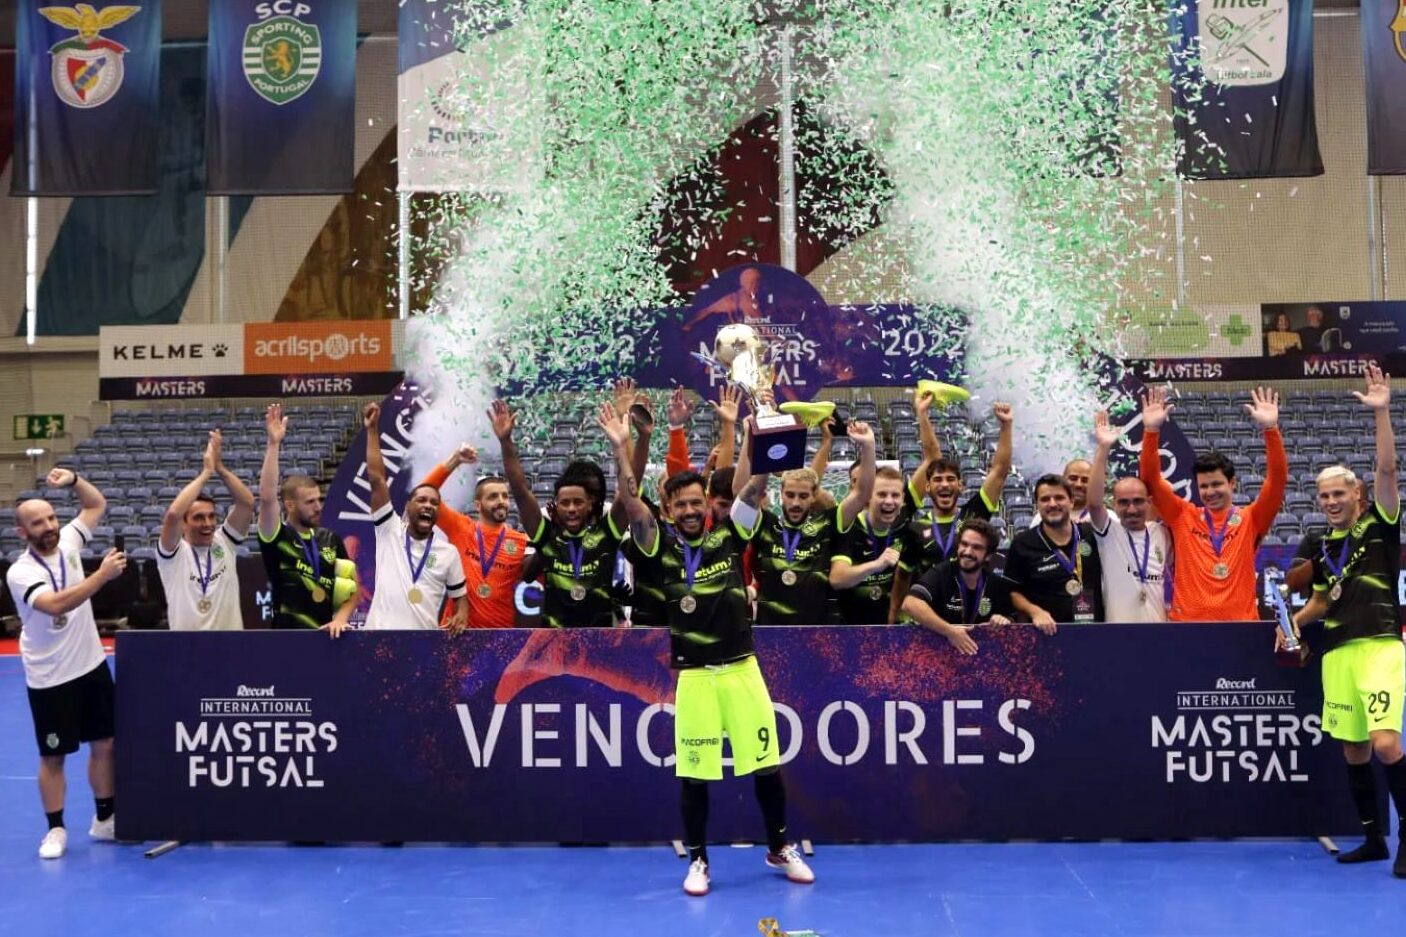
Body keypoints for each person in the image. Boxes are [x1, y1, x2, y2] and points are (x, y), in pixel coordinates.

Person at [608, 405, 813, 896]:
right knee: (695, 776)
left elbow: (754, 487)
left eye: (696, 502)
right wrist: (621, 446)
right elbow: (630, 503)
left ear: (706, 504)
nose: (690, 511)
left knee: (766, 765)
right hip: (695, 677)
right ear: (670, 511)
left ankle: (779, 846)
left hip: (743, 670)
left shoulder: (730, 536)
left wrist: (758, 439)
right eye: (679, 506)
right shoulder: (658, 546)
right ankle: (698, 860)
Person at [1284, 365, 1406, 877]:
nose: (1332, 502)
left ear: (1357, 495)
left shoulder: (1380, 522)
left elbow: (1386, 472)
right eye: (1324, 496)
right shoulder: (1319, 544)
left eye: (1340, 493)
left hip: (1379, 645)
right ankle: (1374, 839)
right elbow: (1319, 603)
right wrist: (1290, 619)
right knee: (1354, 749)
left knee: (1385, 744)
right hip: (1337, 651)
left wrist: (1380, 412)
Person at [5, 468, 124, 859]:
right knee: (53, 756)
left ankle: (105, 819)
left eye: (52, 518)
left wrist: (74, 480)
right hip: (50, 676)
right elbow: (56, 604)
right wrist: (101, 577)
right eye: (38, 523)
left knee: (104, 744)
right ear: (22, 532)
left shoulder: (71, 540)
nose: (50, 527)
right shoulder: (20, 572)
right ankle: (55, 829)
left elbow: (95, 504)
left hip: (90, 665)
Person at [1139, 386, 1286, 621]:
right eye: (1204, 486)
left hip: (1240, 631)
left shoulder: (1252, 518)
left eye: (1217, 484)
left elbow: (1276, 481)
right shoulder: (1182, 515)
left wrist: (1270, 429)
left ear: (1232, 483)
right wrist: (1151, 430)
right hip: (1188, 630)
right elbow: (1151, 481)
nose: (1210, 492)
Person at [491, 399, 626, 628]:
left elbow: (628, 493)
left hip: (600, 643)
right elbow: (521, 492)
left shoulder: (606, 535)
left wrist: (620, 447)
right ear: (556, 505)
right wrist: (505, 442)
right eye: (564, 503)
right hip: (555, 644)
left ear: (590, 504)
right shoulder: (546, 536)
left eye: (577, 502)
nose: (571, 508)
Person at [740, 420, 876, 625]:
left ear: (813, 496)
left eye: (803, 496)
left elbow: (862, 493)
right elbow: (740, 498)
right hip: (770, 633)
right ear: (781, 494)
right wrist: (757, 442)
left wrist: (868, 446)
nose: (795, 502)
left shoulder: (828, 523)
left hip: (819, 633)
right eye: (790, 495)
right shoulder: (764, 524)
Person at [361, 403, 468, 632]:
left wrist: (462, 614)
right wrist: (372, 431)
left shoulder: (448, 553)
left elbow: (460, 598)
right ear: (408, 506)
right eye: (422, 500)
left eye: (434, 503)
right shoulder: (389, 530)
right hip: (377, 641)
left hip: (422, 646)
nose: (428, 505)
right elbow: (377, 479)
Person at [256, 403, 357, 635]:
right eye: (310, 502)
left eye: (319, 500)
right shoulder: (277, 536)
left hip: (326, 637)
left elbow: (351, 591)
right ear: (290, 505)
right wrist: (273, 444)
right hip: (286, 640)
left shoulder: (330, 539)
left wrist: (340, 619)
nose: (318, 507)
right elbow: (267, 497)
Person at [419, 442, 529, 628]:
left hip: (499, 638)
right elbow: (423, 493)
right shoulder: (461, 527)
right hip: (456, 633)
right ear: (478, 505)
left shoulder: (521, 542)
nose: (501, 501)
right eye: (493, 497)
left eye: (504, 496)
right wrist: (455, 460)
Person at [900, 399, 1014, 576]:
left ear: (960, 486)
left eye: (951, 479)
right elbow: (932, 457)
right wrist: (922, 414)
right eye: (938, 479)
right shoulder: (916, 528)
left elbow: (999, 472)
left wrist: (1006, 426)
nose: (945, 484)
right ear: (927, 486)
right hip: (926, 602)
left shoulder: (973, 516)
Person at [156, 429, 254, 631]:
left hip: (230, 647)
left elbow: (246, 503)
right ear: (184, 524)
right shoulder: (173, 553)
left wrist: (219, 468)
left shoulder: (224, 541)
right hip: (187, 650)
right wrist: (206, 473)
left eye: (211, 516)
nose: (208, 523)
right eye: (198, 518)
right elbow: (173, 515)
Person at [1087, 411, 1171, 623]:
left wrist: (1153, 429)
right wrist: (1104, 447)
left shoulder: (1161, 532)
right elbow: (1094, 502)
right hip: (1118, 634)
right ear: (1113, 504)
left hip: (1158, 633)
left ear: (1149, 502)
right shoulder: (1109, 532)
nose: (1131, 509)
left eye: (1138, 501)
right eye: (1123, 502)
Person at [901, 518, 1016, 655]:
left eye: (976, 547)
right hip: (938, 655)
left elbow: (1012, 619)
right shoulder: (941, 573)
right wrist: (950, 631)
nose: (967, 552)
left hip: (980, 657)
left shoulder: (995, 584)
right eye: (964, 544)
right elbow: (910, 604)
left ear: (988, 556)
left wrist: (1003, 621)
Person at [1003, 474, 1103, 628]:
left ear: (1071, 502)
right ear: (1036, 505)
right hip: (1047, 636)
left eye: (1059, 498)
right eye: (1045, 499)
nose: (1052, 504)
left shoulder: (1093, 536)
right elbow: (1013, 593)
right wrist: (1035, 611)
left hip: (1094, 632)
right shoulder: (1022, 543)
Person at [829, 466, 912, 624]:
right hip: (851, 629)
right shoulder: (850, 527)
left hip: (892, 629)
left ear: (902, 499)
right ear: (868, 497)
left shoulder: (906, 531)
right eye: (881, 494)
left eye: (895, 495)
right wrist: (876, 565)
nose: (889, 501)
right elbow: (837, 579)